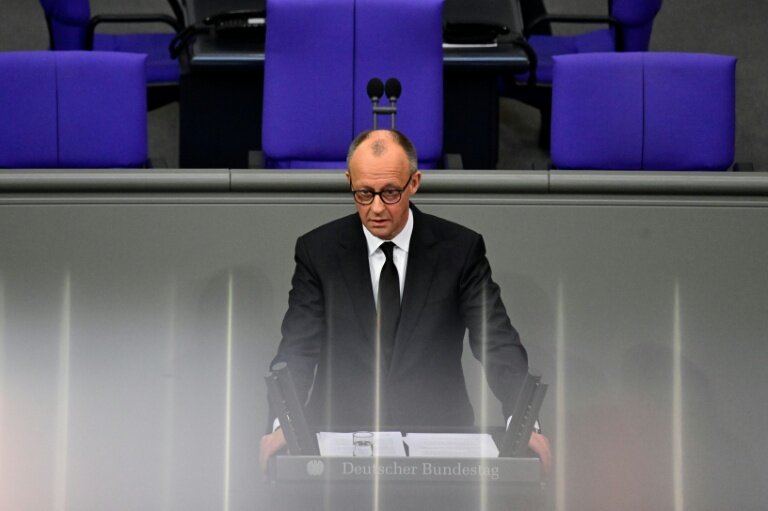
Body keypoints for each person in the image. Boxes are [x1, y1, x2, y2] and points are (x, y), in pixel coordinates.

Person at [260, 129, 551, 474]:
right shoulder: (318, 252)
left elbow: (496, 341)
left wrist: (523, 422)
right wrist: (284, 425)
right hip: (341, 444)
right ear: (349, 181)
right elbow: (298, 347)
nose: (377, 207)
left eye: (391, 193)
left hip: (440, 445)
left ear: (414, 183)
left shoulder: (460, 250)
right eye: (364, 193)